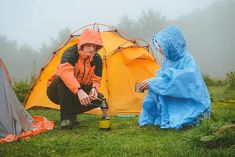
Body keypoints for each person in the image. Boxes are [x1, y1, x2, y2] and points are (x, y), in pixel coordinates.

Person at [138, 25, 211, 129]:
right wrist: (151, 84)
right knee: (154, 88)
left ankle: (186, 118)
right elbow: (162, 79)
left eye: (161, 46)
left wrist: (154, 82)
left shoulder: (187, 60)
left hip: (191, 102)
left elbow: (184, 82)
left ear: (170, 44)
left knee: (155, 85)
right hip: (173, 100)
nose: (160, 50)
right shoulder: (167, 60)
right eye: (158, 47)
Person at [47, 28, 104, 129]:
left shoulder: (97, 59)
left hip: (77, 91)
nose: (92, 49)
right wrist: (79, 90)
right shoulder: (71, 53)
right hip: (56, 90)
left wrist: (94, 89)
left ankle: (71, 113)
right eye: (89, 45)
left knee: (99, 98)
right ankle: (66, 119)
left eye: (94, 46)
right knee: (63, 79)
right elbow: (65, 72)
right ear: (82, 44)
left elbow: (96, 79)